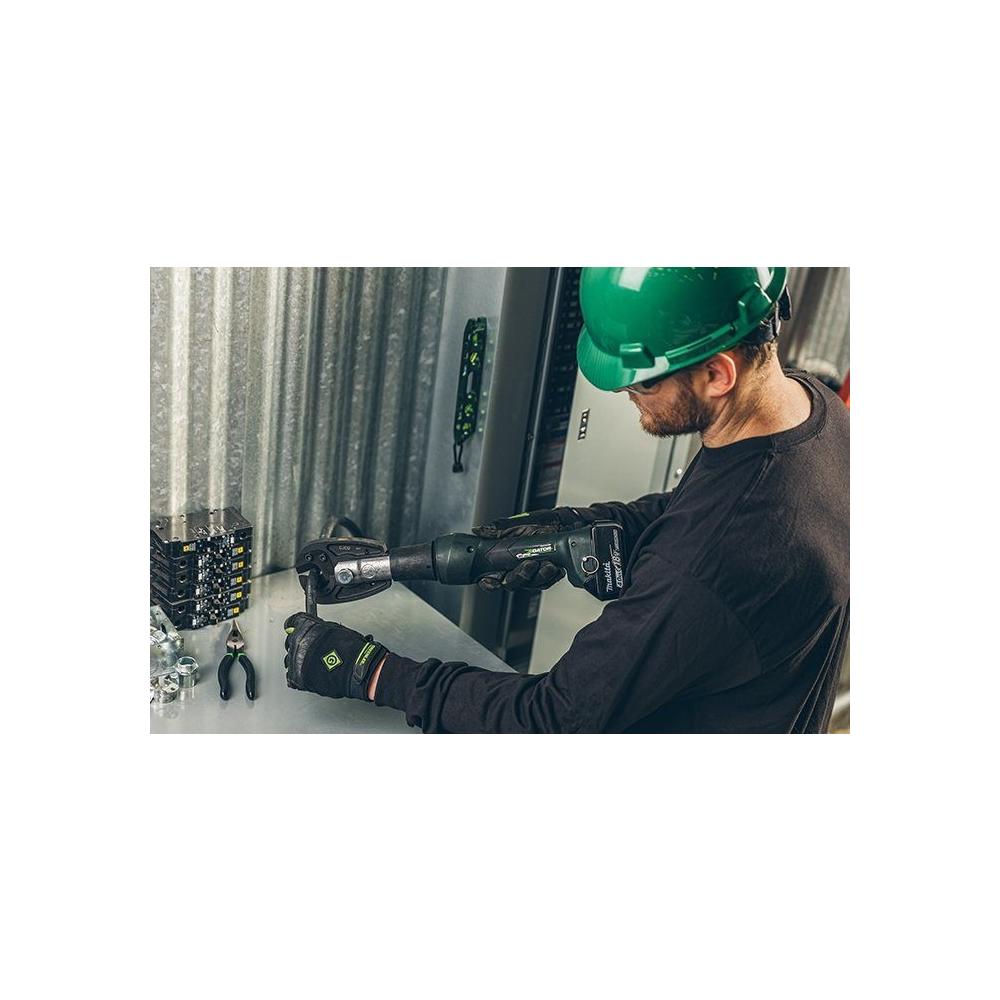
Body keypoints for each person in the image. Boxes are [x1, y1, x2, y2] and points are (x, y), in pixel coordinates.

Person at [283, 267, 850, 733]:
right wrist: (581, 527)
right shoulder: (814, 414)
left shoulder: (713, 561)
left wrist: (371, 672)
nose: (625, 392)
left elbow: (555, 719)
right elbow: (701, 509)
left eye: (642, 380)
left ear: (718, 374)